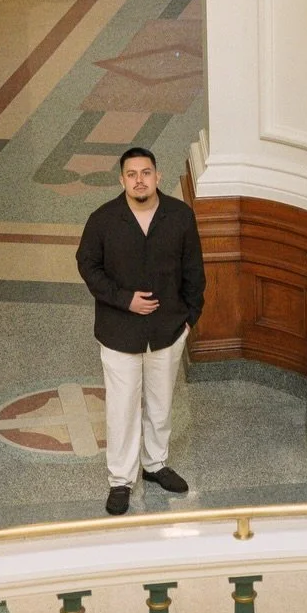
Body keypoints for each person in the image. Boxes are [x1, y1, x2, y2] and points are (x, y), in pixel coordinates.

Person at [75, 146, 206, 516]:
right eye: (131, 174)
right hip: (119, 332)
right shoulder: (103, 220)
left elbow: (194, 271)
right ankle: (120, 480)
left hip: (168, 330)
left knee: (161, 403)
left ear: (157, 176)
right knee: (122, 408)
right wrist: (125, 300)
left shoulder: (179, 217)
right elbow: (88, 266)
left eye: (146, 173)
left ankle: (155, 463)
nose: (139, 180)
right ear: (122, 180)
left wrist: (188, 319)